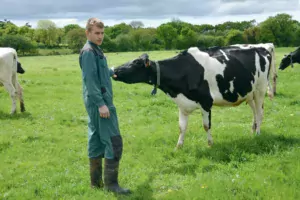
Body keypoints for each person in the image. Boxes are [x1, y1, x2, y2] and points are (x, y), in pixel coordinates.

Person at [79, 17, 131, 195]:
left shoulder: (96, 50)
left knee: (95, 140)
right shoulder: (88, 52)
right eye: (96, 33)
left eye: (102, 33)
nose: (100, 36)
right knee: (114, 141)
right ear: (88, 33)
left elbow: (99, 73)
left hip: (95, 102)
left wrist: (111, 72)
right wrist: (101, 104)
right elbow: (90, 80)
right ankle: (112, 185)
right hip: (99, 103)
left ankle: (96, 184)